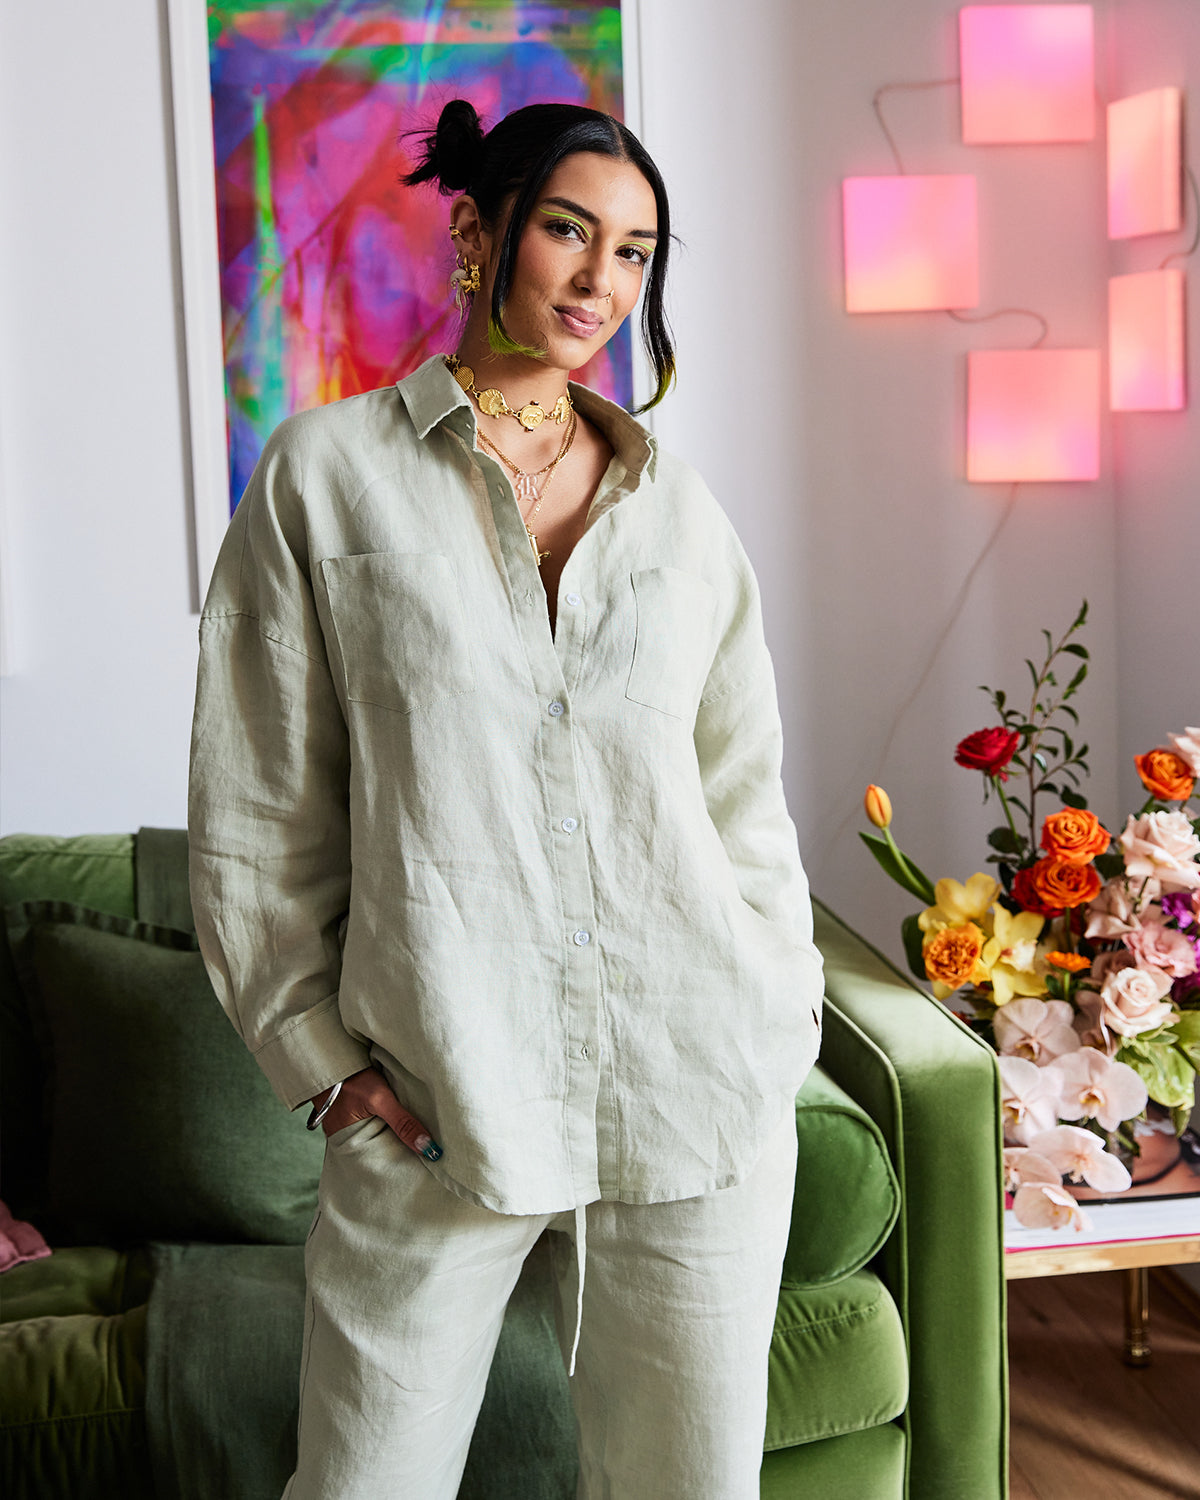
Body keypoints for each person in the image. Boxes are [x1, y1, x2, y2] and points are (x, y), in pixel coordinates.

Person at [188, 98, 824, 1500]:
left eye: (636, 251)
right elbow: (257, 817)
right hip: (439, 1101)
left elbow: (742, 804)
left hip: (696, 1094)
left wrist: (780, 1014)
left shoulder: (681, 513)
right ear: (478, 233)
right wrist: (320, 1064)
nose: (602, 280)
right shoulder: (325, 481)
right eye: (569, 232)